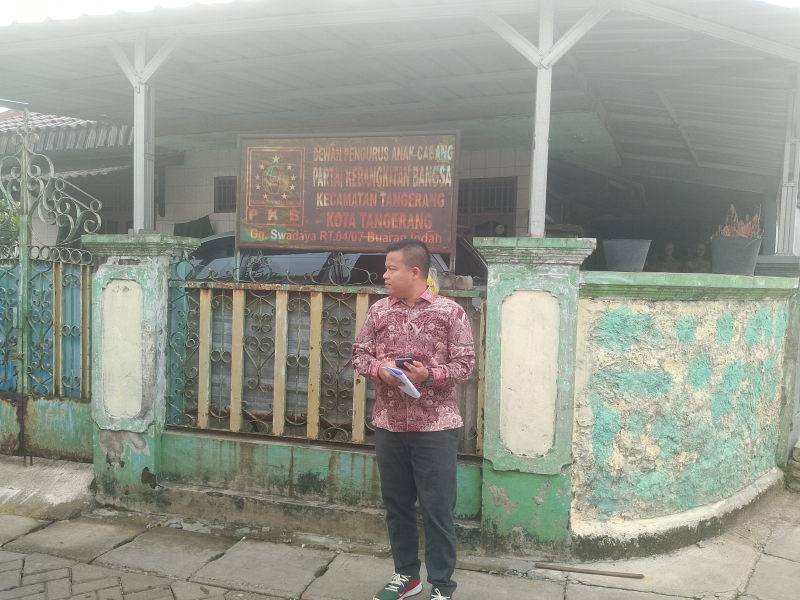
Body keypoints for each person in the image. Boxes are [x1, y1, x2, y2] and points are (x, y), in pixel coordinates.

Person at [352, 238, 476, 600]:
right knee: (397, 506)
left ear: (415, 272)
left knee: (437, 509)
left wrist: (429, 375)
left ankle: (442, 585)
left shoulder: (450, 312)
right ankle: (406, 575)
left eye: (392, 269)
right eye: (386, 269)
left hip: (435, 427)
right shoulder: (379, 311)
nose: (385, 275)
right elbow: (359, 355)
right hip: (389, 425)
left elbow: (466, 364)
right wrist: (379, 369)